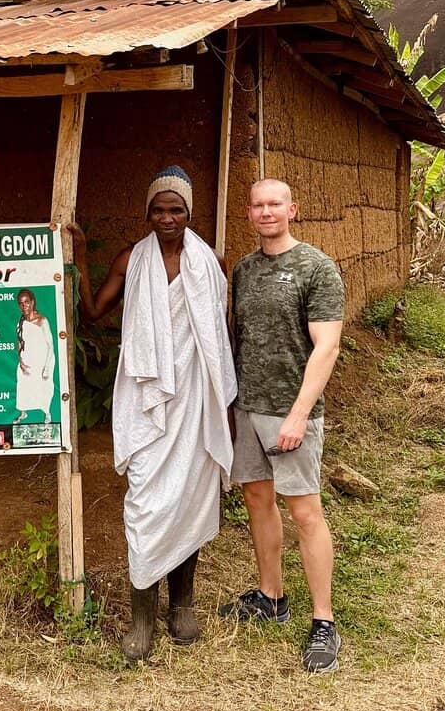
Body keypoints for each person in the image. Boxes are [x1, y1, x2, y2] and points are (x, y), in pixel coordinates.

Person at [70, 166, 236, 662]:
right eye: (159, 209)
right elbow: (95, 311)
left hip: (195, 405)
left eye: (177, 209)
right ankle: (141, 617)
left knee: (189, 498)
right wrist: (78, 259)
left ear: (189, 213)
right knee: (145, 505)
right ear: (147, 213)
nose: (168, 217)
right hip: (146, 403)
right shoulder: (131, 259)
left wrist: (224, 406)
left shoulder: (210, 264)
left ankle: (181, 605)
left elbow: (218, 343)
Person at [223, 178, 345, 673]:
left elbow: (327, 346)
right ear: (249, 214)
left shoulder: (317, 268)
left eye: (275, 204)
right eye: (258, 205)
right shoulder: (244, 270)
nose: (266, 212)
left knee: (306, 512)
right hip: (248, 408)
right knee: (257, 499)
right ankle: (272, 596)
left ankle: (323, 621)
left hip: (291, 412)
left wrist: (297, 414)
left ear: (292, 209)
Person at [14, 289, 55, 424]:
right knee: (23, 385)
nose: (24, 305)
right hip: (27, 361)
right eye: (21, 303)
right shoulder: (20, 323)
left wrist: (47, 367)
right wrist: (21, 362)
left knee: (44, 387)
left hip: (42, 361)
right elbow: (19, 344)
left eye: (26, 302)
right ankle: (23, 412)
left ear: (32, 302)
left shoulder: (42, 320)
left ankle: (47, 413)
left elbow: (50, 345)